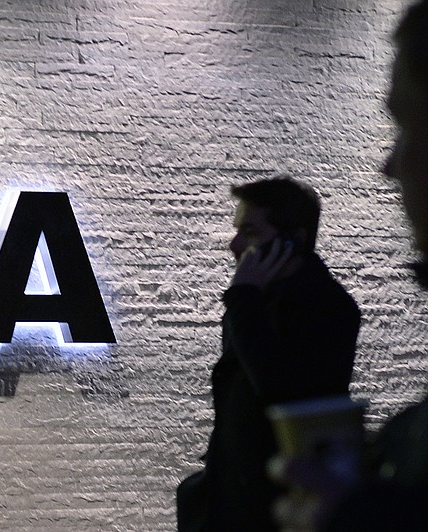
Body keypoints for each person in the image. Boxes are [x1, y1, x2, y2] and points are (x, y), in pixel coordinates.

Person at [270, 1, 428, 530]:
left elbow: (278, 384)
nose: (389, 167)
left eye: (407, 125)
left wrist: (362, 518)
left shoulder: (327, 302)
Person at [177, 177, 361, 531]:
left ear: (294, 241)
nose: (235, 245)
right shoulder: (254, 301)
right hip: (232, 500)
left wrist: (245, 299)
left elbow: (277, 386)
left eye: (250, 232)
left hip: (279, 508)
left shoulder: (328, 308)